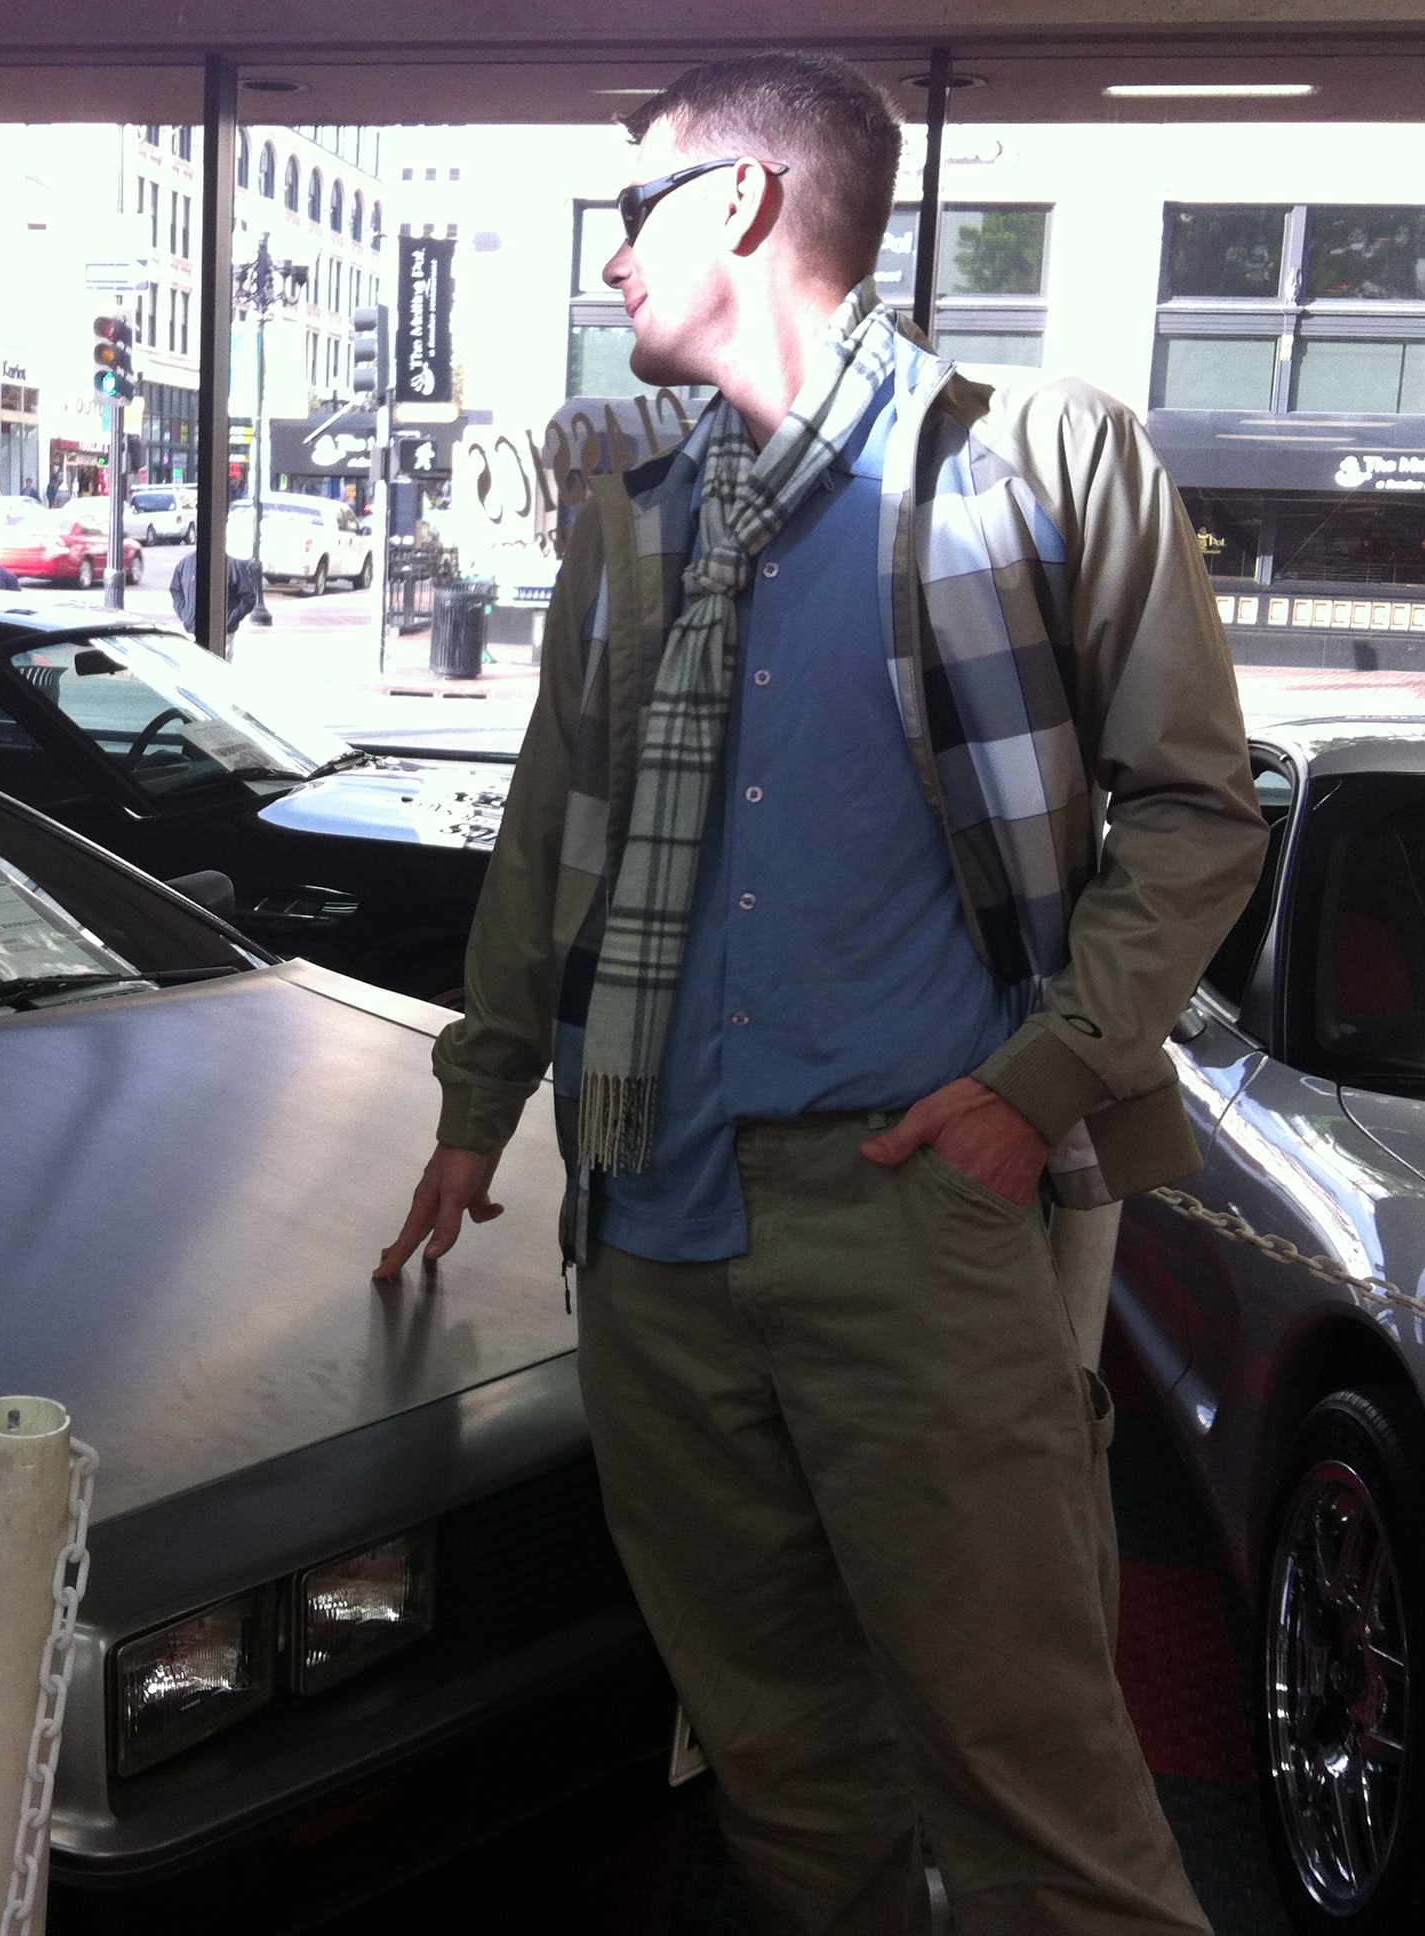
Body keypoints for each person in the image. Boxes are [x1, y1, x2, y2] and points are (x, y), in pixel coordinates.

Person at [373, 52, 1268, 1936]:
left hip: (910, 1209)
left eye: (634, 208)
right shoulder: (634, 513)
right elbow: (553, 832)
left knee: (1032, 1786)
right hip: (647, 1222)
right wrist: (480, 1101)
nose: (611, 257)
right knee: (782, 1768)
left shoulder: (1034, 461)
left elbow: (1197, 811)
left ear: (743, 202)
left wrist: (1038, 1084)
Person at [169, 547, 261, 637]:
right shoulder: (186, 563)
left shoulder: (231, 563)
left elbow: (248, 595)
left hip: (223, 635)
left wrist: (229, 619)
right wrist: (185, 615)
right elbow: (176, 590)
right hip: (193, 631)